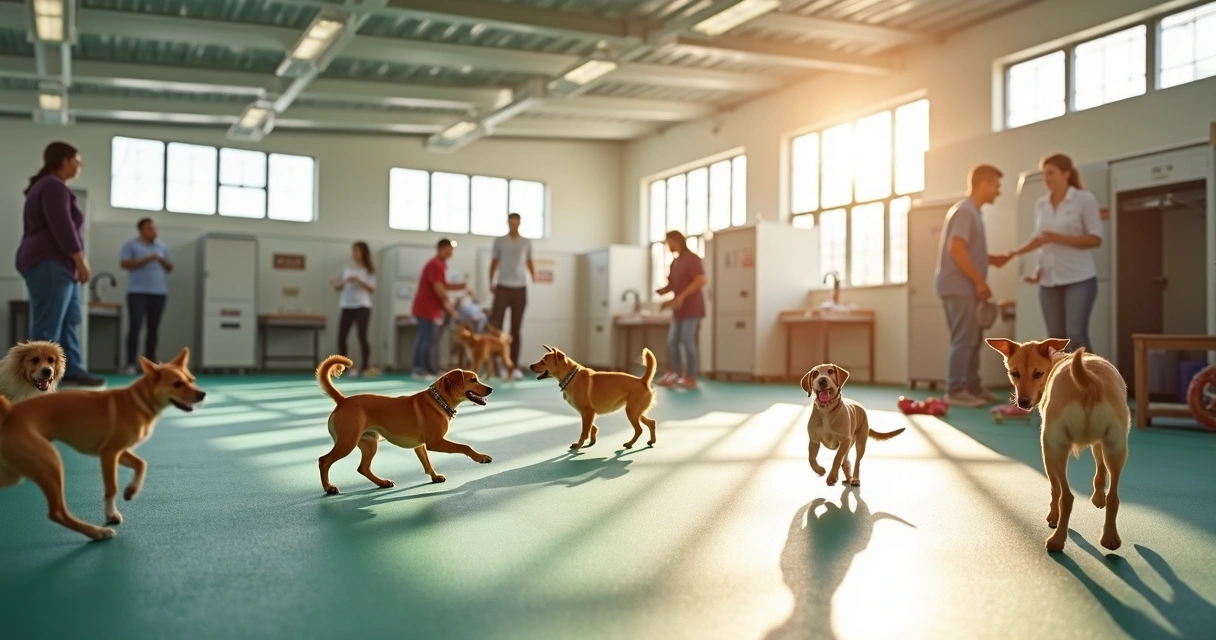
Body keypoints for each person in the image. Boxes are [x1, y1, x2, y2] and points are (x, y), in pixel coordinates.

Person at [15, 141, 104, 388]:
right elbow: (62, 227)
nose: (80, 165)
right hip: (50, 262)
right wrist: (80, 259)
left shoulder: (50, 186)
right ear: (64, 160)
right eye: (77, 160)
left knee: (68, 320)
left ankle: (72, 370)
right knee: (48, 324)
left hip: (62, 266)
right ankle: (35, 382)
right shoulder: (53, 186)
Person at [933, 164, 1011, 408]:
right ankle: (955, 390)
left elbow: (966, 249)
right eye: (996, 186)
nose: (998, 192)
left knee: (973, 339)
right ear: (983, 184)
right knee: (964, 339)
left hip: (964, 287)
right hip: (959, 287)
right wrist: (979, 282)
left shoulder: (973, 212)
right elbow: (955, 249)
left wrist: (990, 259)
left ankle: (973, 387)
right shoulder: (965, 211)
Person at [1008, 153, 1103, 354]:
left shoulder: (1084, 199)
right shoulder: (1041, 204)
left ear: (1066, 173)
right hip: (1049, 281)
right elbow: (1040, 239)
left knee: (1077, 335)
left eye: (1051, 173)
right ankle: (1062, 384)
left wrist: (1058, 237)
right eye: (1044, 174)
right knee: (1054, 341)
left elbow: (1095, 239)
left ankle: (1092, 383)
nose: (1047, 178)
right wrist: (1016, 257)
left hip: (1079, 278)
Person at [119, 218, 172, 375]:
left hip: (159, 293)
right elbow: (124, 264)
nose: (154, 231)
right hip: (137, 293)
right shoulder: (131, 245)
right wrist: (147, 259)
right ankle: (130, 364)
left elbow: (170, 267)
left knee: (153, 329)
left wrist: (161, 260)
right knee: (135, 327)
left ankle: (151, 364)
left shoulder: (161, 247)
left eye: (155, 228)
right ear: (141, 230)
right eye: (150, 228)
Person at [655, 230, 707, 389]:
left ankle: (691, 377)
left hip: (692, 309)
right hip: (678, 311)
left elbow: (701, 280)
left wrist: (681, 297)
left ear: (676, 240)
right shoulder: (675, 263)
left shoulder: (692, 259)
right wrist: (663, 292)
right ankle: (674, 375)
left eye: (668, 242)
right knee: (672, 342)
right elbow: (673, 285)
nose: (667, 246)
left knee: (687, 340)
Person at [488, 212, 535, 381]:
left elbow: (529, 260)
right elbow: (494, 261)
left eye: (516, 223)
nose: (513, 225)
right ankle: (495, 366)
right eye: (510, 223)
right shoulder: (500, 241)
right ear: (507, 223)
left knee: (516, 329)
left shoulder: (526, 242)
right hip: (502, 286)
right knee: (496, 327)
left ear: (519, 224)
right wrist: (490, 281)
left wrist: (533, 276)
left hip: (520, 288)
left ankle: (513, 366)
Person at [411, 238, 464, 380]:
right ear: (441, 249)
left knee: (431, 339)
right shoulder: (435, 264)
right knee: (426, 339)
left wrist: (461, 286)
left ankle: (430, 369)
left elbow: (443, 284)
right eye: (448, 250)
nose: (451, 253)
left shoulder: (440, 265)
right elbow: (439, 288)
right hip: (426, 308)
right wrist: (451, 309)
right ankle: (419, 370)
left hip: (433, 310)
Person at [331, 241, 376, 376]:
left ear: (363, 253)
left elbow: (372, 289)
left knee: (362, 336)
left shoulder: (368, 270)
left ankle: (365, 366)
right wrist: (336, 283)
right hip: (347, 305)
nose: (355, 253)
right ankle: (343, 367)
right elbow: (338, 287)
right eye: (353, 250)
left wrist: (359, 280)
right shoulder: (346, 269)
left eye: (357, 250)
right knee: (341, 336)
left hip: (362, 306)